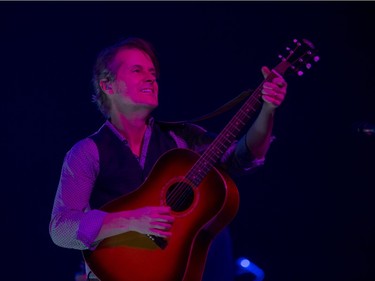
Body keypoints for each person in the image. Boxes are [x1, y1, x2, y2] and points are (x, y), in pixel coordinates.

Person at [49, 37, 287, 281]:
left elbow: (243, 157)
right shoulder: (87, 152)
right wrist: (131, 220)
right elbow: (60, 228)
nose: (151, 78)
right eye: (137, 70)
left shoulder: (181, 138)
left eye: (152, 72)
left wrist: (268, 109)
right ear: (108, 87)